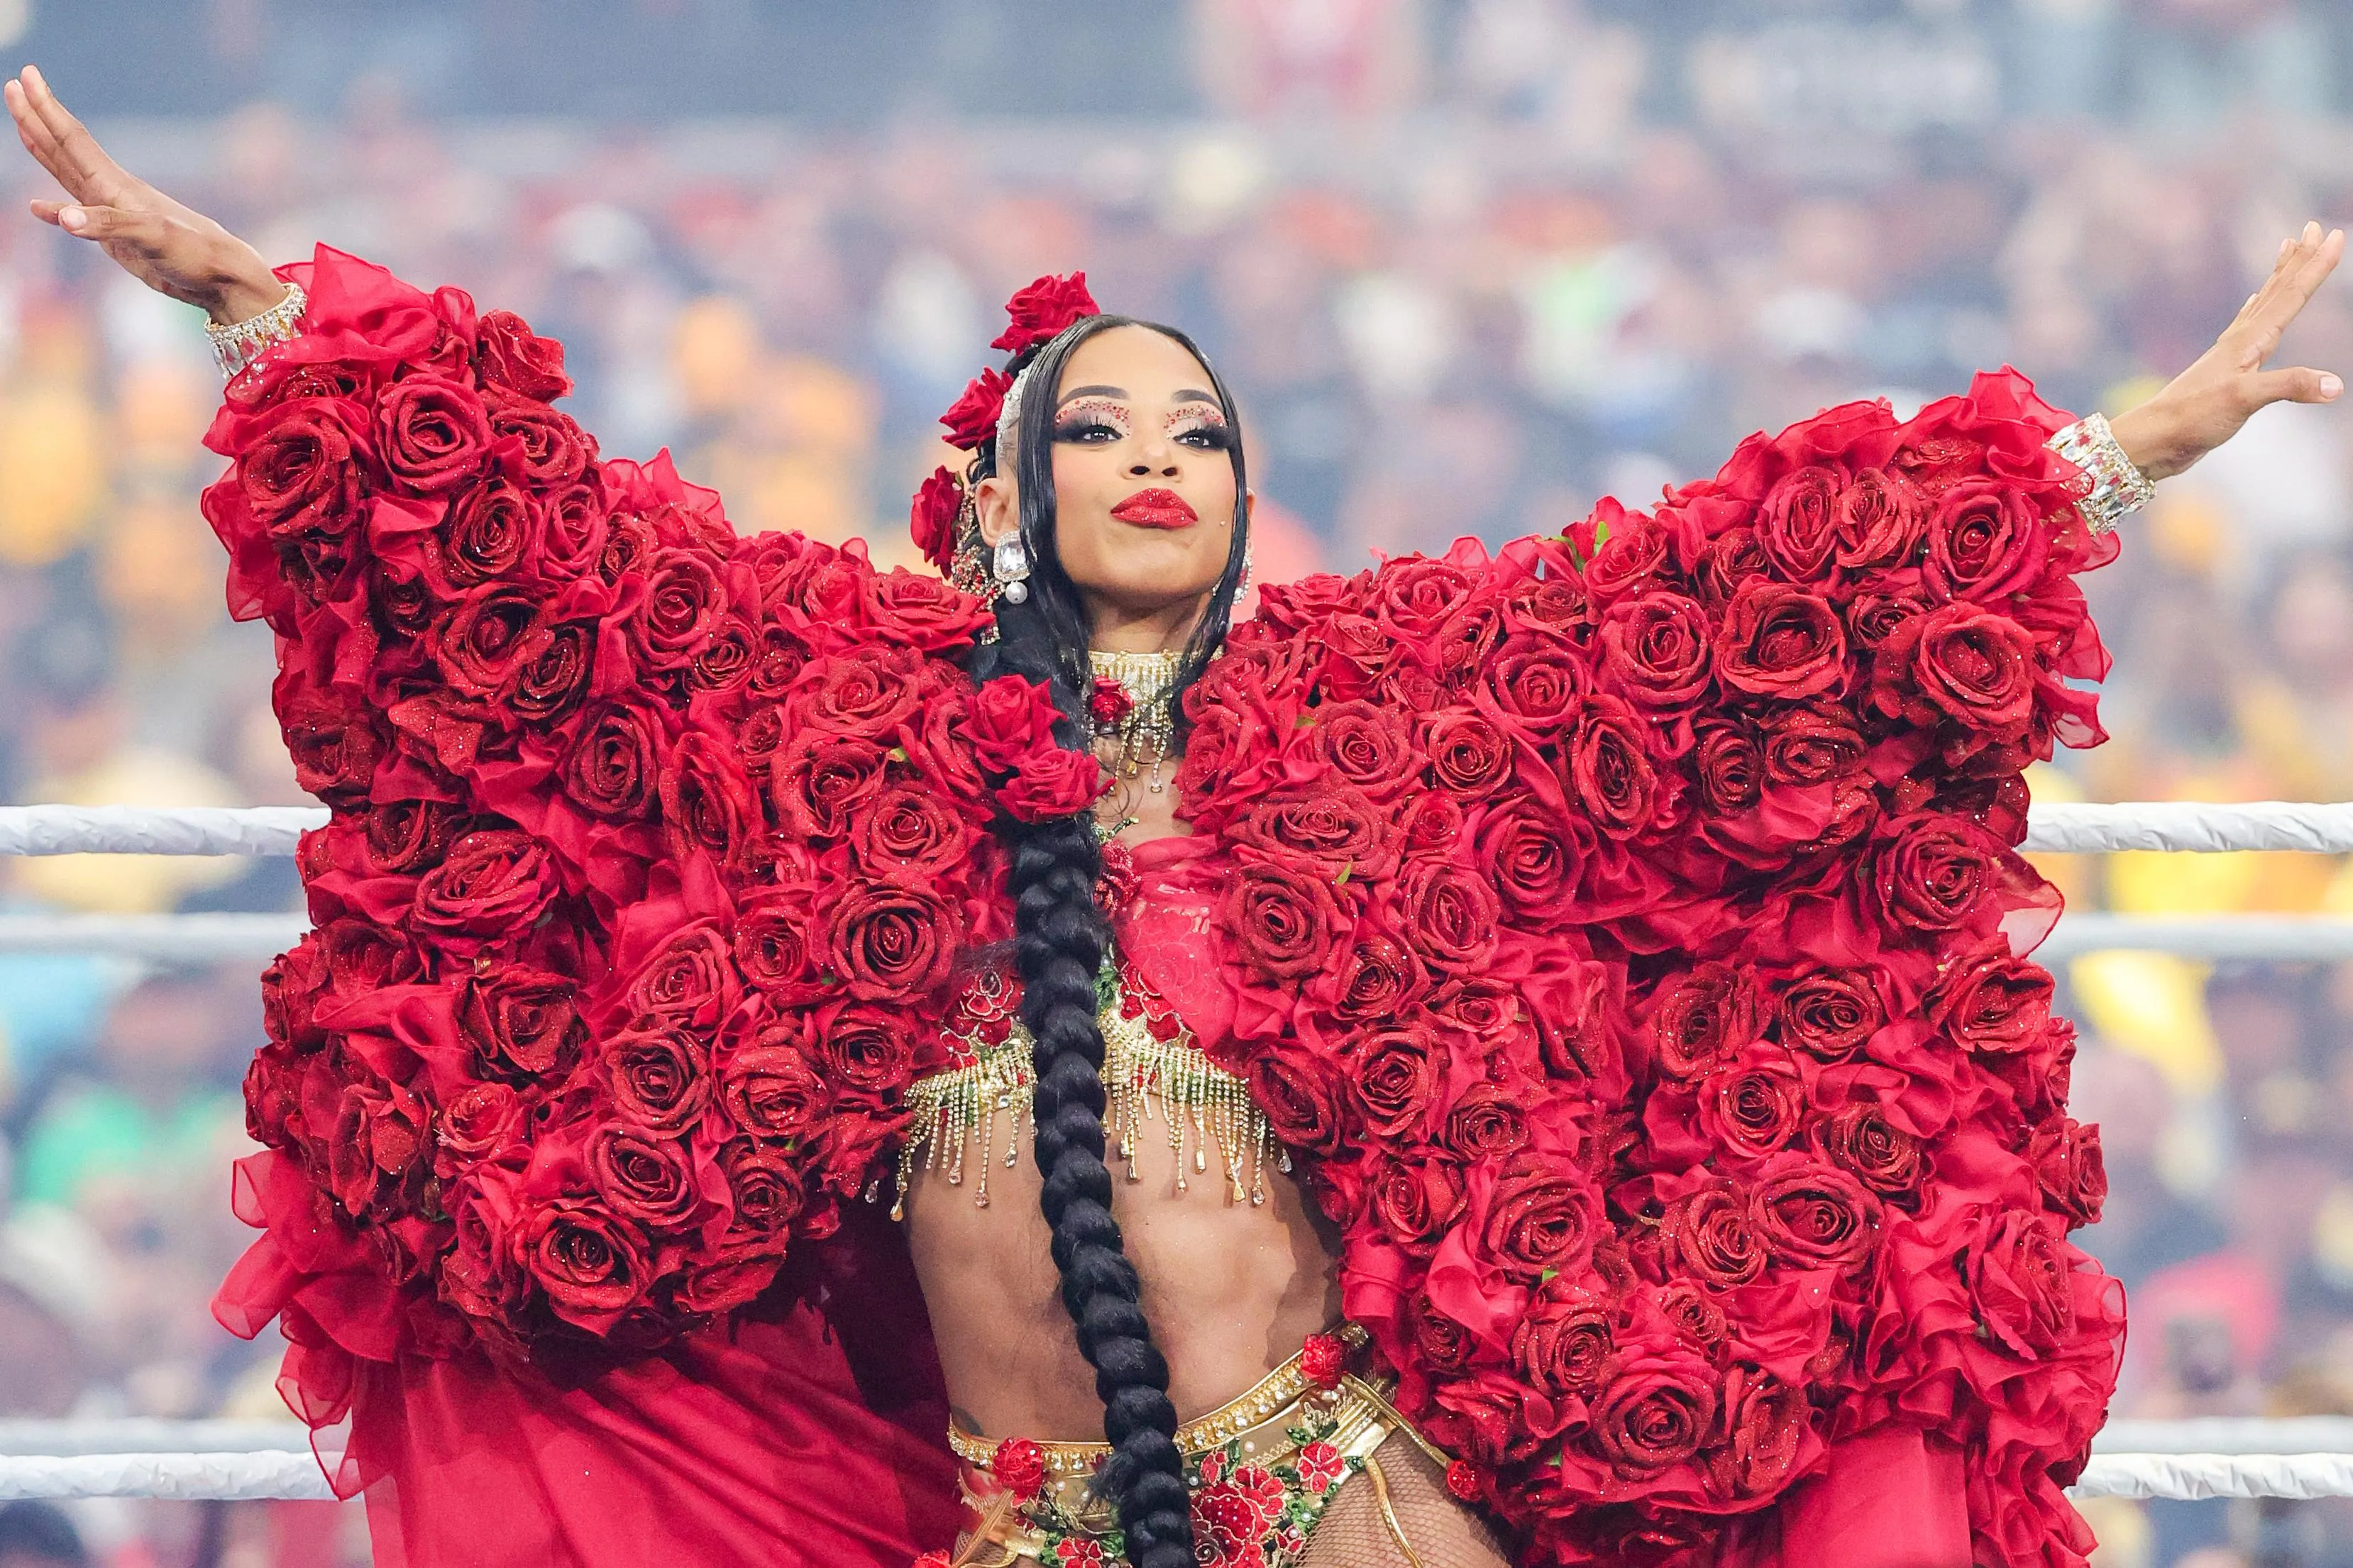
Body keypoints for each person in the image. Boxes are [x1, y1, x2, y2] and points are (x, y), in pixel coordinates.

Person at [8, 60, 2346, 1568]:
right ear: (1010, 488)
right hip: (1007, 1527)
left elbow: (1733, 605)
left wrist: (2108, 450)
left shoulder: (1383, 693)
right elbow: (582, 571)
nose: (1161, 455)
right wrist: (272, 319)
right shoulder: (857, 709)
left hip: (1346, 1508)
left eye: (1203, 428)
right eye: (1107, 422)